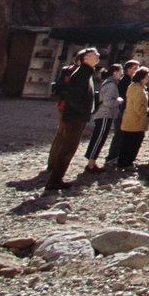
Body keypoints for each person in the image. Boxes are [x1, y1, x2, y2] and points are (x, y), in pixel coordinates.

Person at [44, 47, 100, 190]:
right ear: (85, 58)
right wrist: (81, 113)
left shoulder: (86, 73)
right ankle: (54, 180)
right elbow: (74, 98)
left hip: (77, 116)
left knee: (69, 147)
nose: (98, 55)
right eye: (94, 54)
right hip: (75, 117)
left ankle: (56, 178)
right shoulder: (81, 73)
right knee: (67, 148)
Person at [83, 62, 123, 172]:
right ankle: (91, 164)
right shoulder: (111, 85)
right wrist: (119, 101)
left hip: (104, 114)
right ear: (115, 73)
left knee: (99, 138)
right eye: (120, 71)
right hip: (105, 114)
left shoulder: (109, 82)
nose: (122, 73)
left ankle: (92, 162)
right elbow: (107, 102)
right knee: (99, 138)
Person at [109, 65, 149, 170]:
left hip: (131, 119)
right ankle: (127, 162)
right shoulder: (137, 89)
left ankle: (123, 161)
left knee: (127, 142)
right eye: (147, 76)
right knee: (133, 142)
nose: (148, 78)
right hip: (135, 120)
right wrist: (144, 113)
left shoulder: (135, 87)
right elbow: (138, 106)